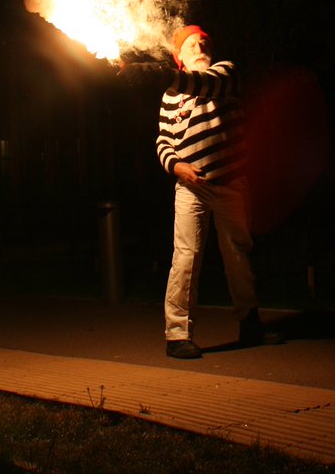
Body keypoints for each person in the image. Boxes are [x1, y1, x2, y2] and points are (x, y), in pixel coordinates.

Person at [120, 24, 282, 359]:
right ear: (180, 57)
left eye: (204, 40)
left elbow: (205, 85)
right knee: (185, 257)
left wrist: (157, 72)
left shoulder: (224, 73)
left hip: (231, 183)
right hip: (190, 188)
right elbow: (164, 141)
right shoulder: (170, 97)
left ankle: (250, 323)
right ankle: (177, 335)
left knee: (237, 253)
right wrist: (176, 166)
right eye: (192, 43)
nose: (200, 45)